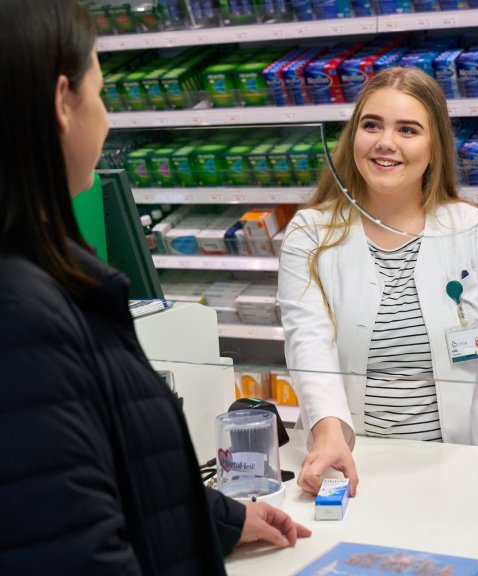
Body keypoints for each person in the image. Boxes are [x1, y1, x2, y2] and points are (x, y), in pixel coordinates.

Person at [0, 1, 309, 573]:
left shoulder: (41, 276)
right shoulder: (21, 316)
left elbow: (99, 475)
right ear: (61, 104)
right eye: (99, 92)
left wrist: (220, 519)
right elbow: (69, 551)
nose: (107, 120)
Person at [277, 67, 478, 498]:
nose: (386, 142)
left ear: (434, 146)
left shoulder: (473, 230)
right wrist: (328, 433)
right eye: (371, 125)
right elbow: (308, 343)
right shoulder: (311, 233)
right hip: (351, 464)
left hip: (464, 465)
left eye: (407, 130)